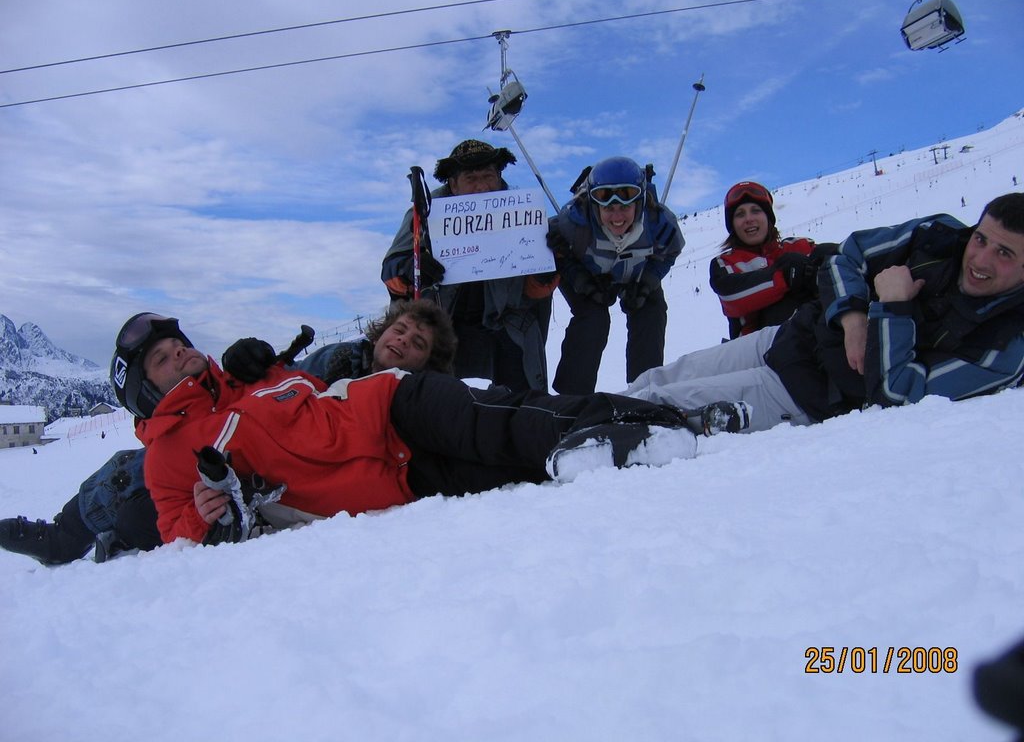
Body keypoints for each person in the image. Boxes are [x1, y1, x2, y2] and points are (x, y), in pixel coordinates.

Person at [110, 310, 726, 546]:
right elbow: (178, 536)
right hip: (392, 485)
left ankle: (637, 422)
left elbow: (305, 394)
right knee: (499, 472)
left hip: (388, 407)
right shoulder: (167, 457)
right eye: (161, 360)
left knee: (501, 422)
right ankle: (615, 449)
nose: (180, 356)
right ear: (146, 390)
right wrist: (203, 511)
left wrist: (268, 364)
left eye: (178, 344)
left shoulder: (246, 381)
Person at [0, 300, 458, 566]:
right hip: (211, 455)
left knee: (137, 514)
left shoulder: (412, 394)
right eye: (397, 332)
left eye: (415, 344)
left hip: (246, 474)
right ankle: (62, 538)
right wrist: (258, 363)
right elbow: (297, 383)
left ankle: (110, 536)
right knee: (126, 473)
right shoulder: (348, 359)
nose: (401, 344)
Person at [624, 193, 1024, 432]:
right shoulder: (940, 239)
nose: (980, 258)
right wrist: (851, 317)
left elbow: (898, 394)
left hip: (804, 391)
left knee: (662, 401)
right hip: (787, 337)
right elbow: (847, 257)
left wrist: (894, 307)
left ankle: (569, 432)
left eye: (1004, 253)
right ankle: (569, 410)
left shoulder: (1003, 346)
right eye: (981, 238)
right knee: (660, 377)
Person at [381, 139, 558, 392]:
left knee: (522, 391)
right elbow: (391, 269)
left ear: (499, 177)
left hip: (505, 320)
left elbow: (534, 292)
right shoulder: (424, 213)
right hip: (442, 319)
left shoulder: (523, 213)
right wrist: (412, 267)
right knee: (428, 392)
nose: (482, 187)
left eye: (488, 176)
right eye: (471, 178)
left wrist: (547, 268)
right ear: (452, 183)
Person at [546, 156, 684, 394]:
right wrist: (582, 281)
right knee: (593, 318)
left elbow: (669, 253)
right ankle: (572, 397)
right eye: (608, 207)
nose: (617, 216)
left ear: (640, 203)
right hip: (589, 274)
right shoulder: (573, 224)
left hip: (636, 274)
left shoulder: (659, 223)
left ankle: (645, 390)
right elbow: (558, 252)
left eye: (625, 207)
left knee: (651, 310)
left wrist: (648, 282)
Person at [710, 180, 837, 339]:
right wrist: (784, 275)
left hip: (813, 336)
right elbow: (731, 297)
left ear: (768, 217)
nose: (749, 219)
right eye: (740, 214)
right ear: (733, 225)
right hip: (754, 348)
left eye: (756, 211)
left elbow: (842, 262)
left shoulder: (798, 246)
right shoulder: (726, 263)